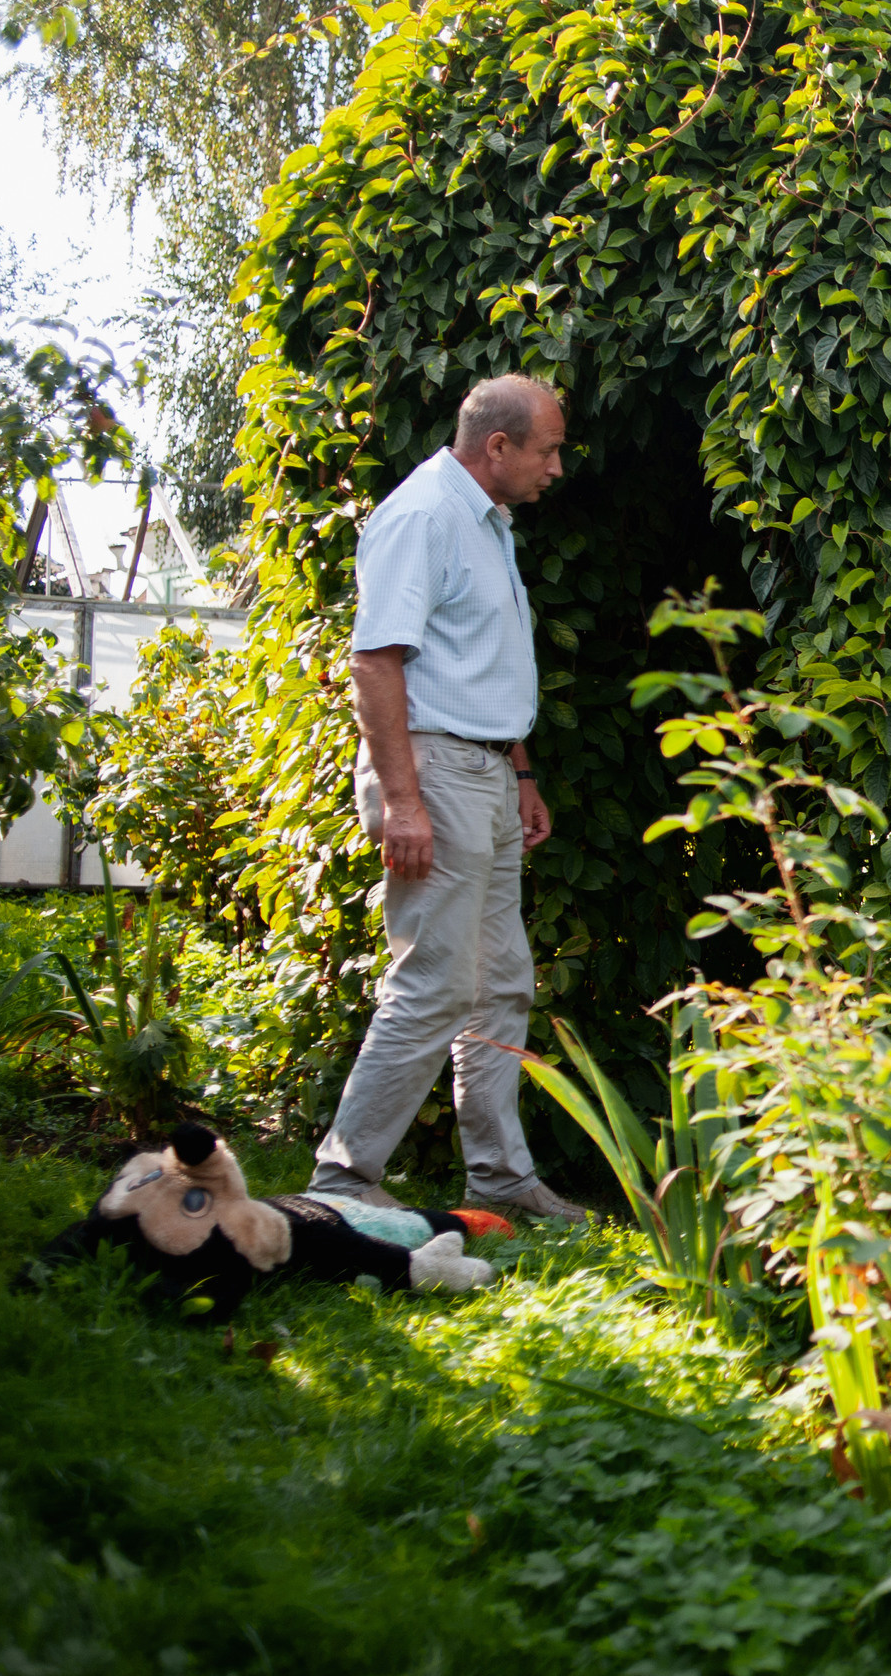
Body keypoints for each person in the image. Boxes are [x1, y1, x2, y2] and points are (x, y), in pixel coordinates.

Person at [308, 373, 588, 1223]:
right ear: (496, 447)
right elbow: (376, 663)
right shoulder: (424, 515)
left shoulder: (487, 525)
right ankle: (343, 1185)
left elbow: (487, 663)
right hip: (435, 775)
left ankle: (500, 1177)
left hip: (490, 777)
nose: (557, 468)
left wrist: (524, 772)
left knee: (502, 983)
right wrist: (403, 802)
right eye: (548, 450)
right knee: (433, 985)